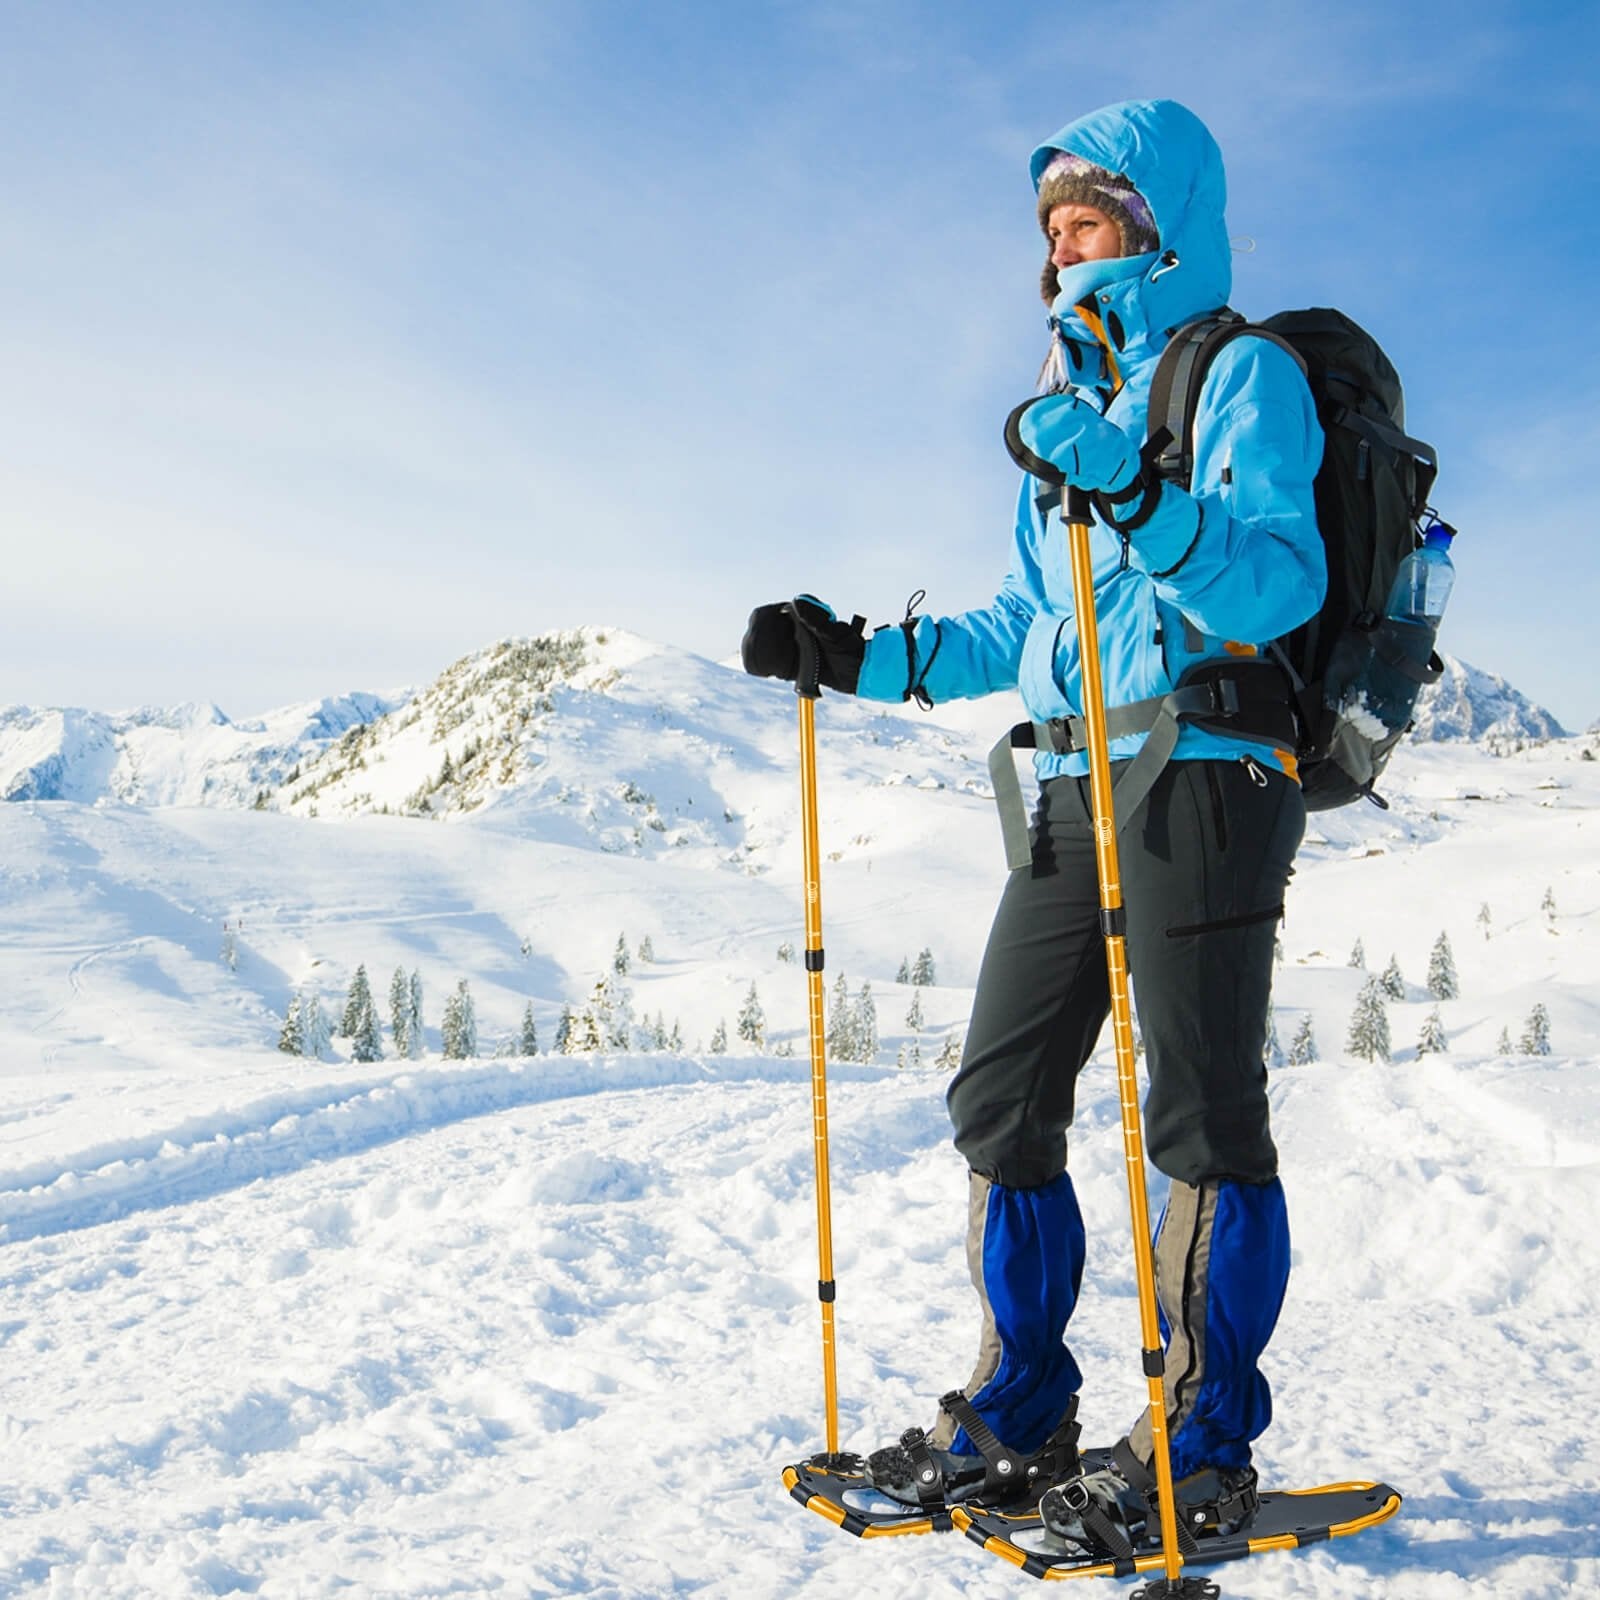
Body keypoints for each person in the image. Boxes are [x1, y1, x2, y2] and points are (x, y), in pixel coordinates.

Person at [742, 98, 1325, 1550]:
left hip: (1204, 768)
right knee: (999, 1102)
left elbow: (1275, 587)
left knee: (1198, 1116)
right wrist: (858, 652)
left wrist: (1134, 488)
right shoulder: (1070, 400)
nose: (1062, 241)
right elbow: (1031, 620)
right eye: (1051, 220)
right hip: (1072, 786)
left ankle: (1199, 1439)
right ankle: (1021, 1407)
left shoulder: (1242, 375)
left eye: (1089, 213)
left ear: (1157, 221)